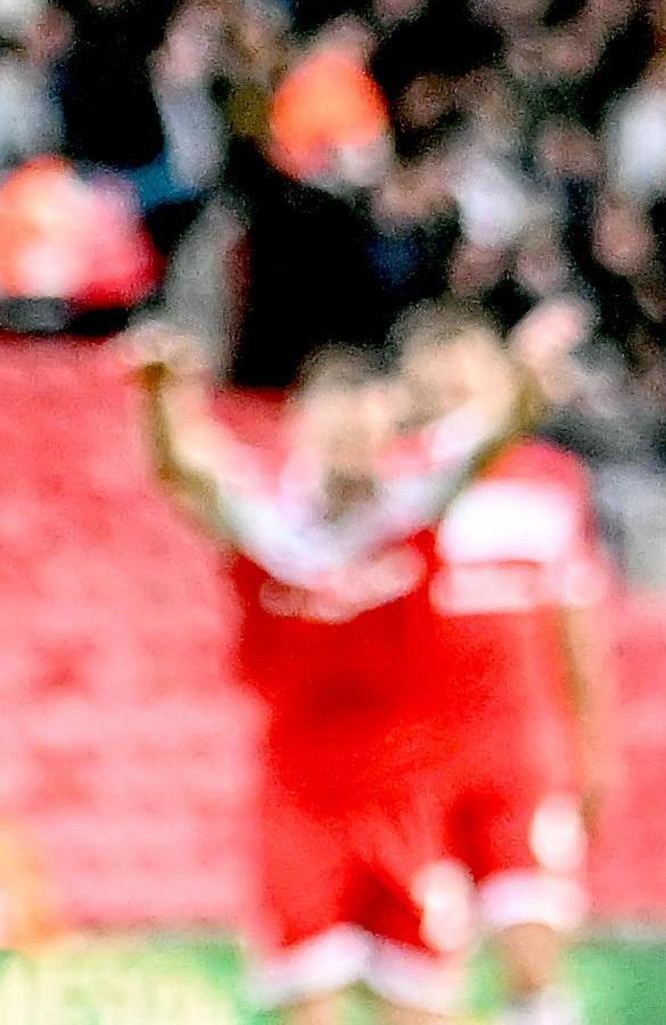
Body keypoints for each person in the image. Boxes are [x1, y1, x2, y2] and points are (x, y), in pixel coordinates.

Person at [130, 306, 581, 1024]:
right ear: (300, 426)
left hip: (410, 794)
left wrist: (525, 378)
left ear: (387, 433)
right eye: (335, 427)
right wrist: (159, 397)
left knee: (424, 1010)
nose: (352, 443)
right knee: (312, 1010)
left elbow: (496, 434)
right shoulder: (267, 526)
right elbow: (182, 467)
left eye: (366, 429)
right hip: (303, 802)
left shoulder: (414, 511)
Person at [395, 303, 616, 1025]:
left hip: (521, 757)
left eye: (470, 373)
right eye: (439, 378)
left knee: (532, 958)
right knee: (425, 984)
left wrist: (595, 749)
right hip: (416, 764)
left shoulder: (552, 482)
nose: (455, 389)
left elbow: (577, 626)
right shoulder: (394, 484)